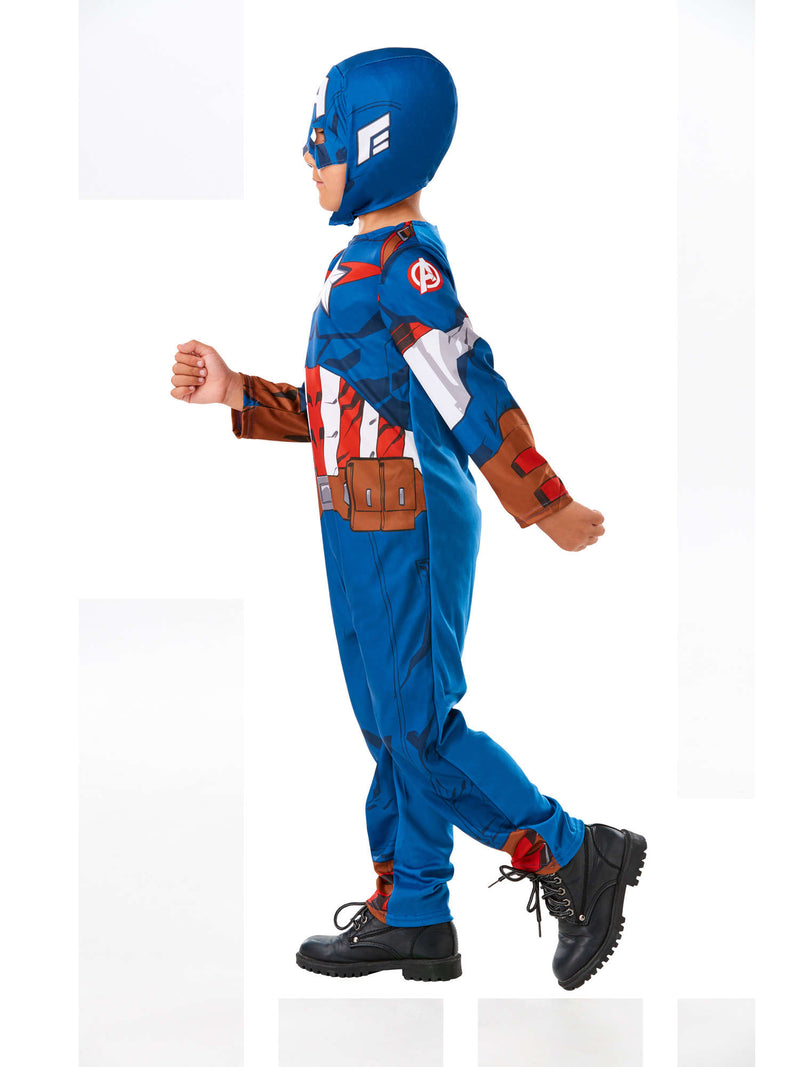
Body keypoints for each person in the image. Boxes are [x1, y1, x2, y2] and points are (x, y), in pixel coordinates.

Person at [169, 47, 646, 990]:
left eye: (329, 137)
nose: (311, 155)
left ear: (380, 145)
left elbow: (469, 385)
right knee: (391, 725)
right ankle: (416, 909)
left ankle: (575, 851)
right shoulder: (355, 263)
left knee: (420, 728)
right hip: (356, 516)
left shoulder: (405, 267)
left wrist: (544, 499)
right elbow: (343, 402)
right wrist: (237, 392)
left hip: (407, 515)